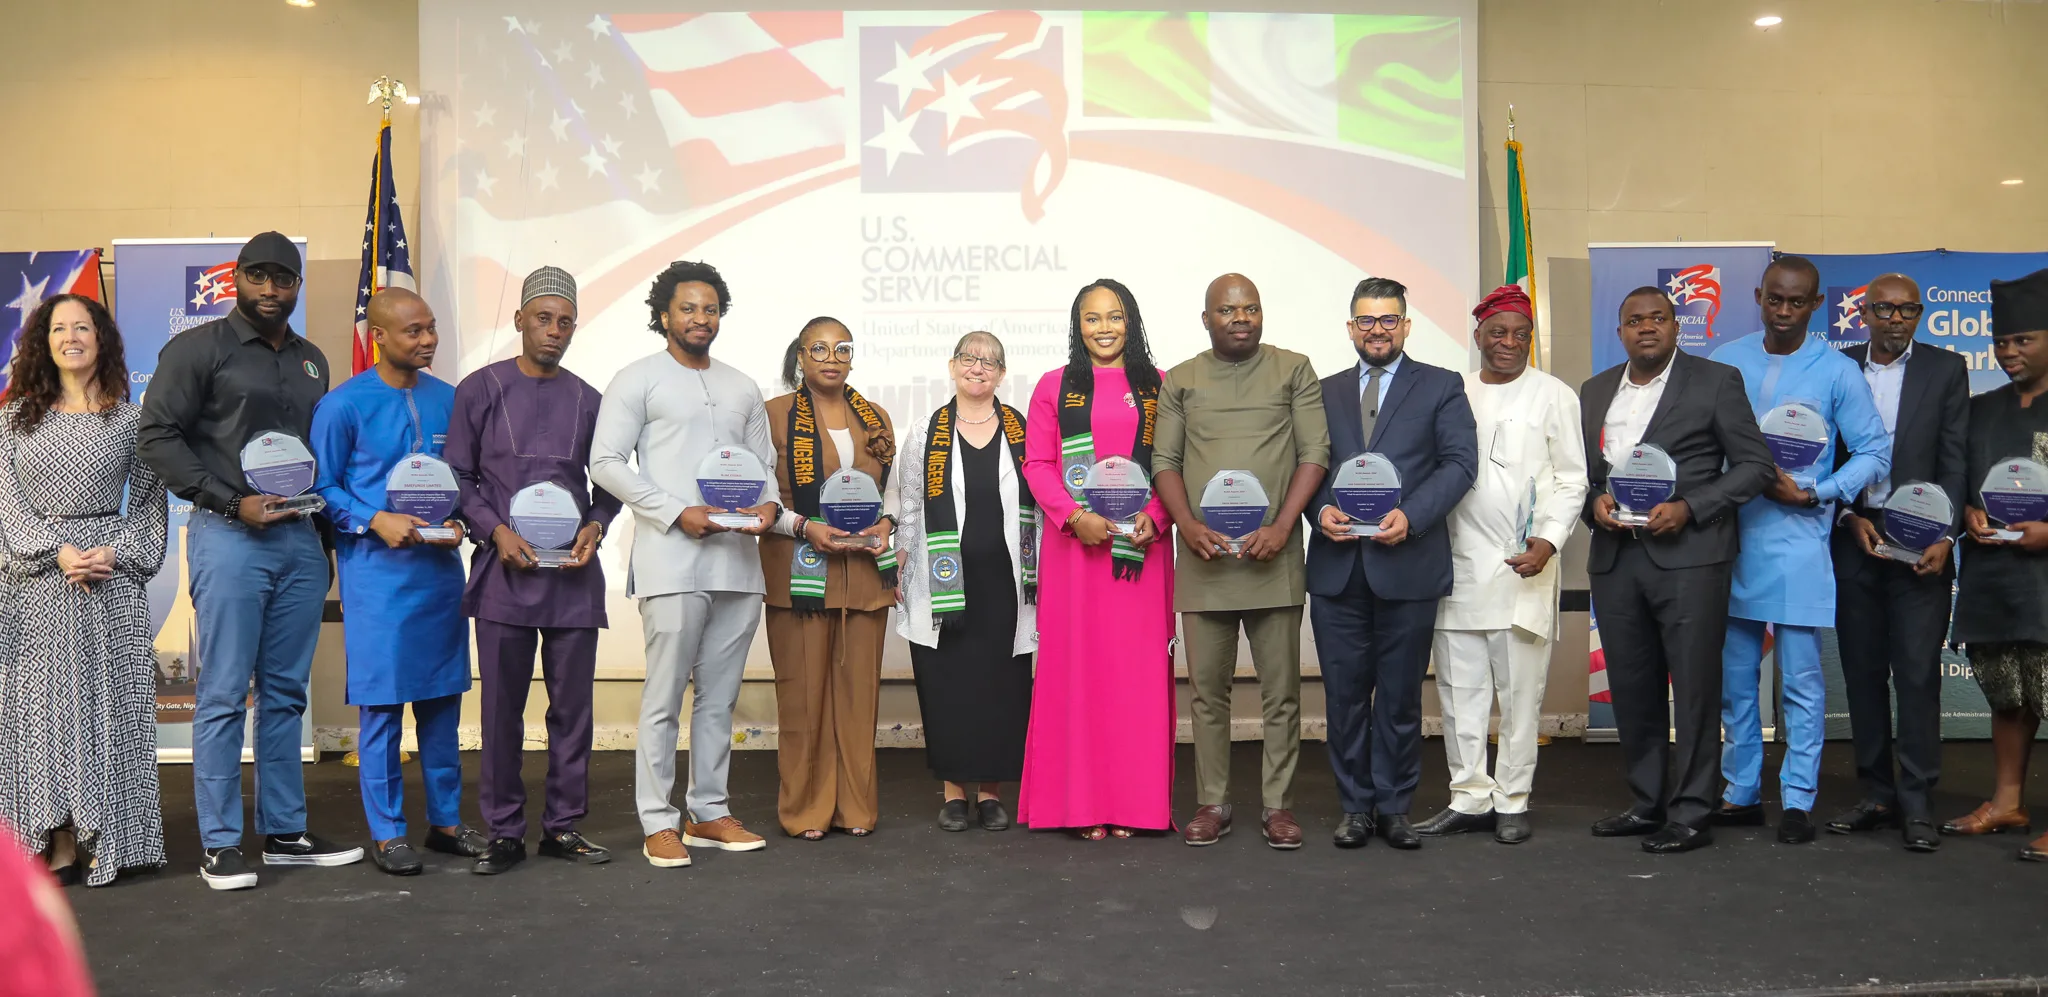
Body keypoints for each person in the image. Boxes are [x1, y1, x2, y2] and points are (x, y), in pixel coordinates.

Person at [137, 232, 363, 889]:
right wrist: (234, 503)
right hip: (230, 535)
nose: (270, 290)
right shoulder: (198, 349)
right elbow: (156, 436)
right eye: (258, 277)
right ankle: (220, 843)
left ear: (296, 285)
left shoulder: (313, 361)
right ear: (236, 278)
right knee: (223, 691)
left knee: (287, 691)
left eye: (283, 279)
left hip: (298, 539)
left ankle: (285, 831)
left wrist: (324, 539)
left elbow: (319, 453)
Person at [589, 260, 779, 869]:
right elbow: (606, 462)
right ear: (664, 315)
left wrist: (771, 504)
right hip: (672, 558)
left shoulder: (742, 386)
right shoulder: (637, 379)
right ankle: (657, 821)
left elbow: (764, 464)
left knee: (720, 699)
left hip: (737, 564)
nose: (701, 319)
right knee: (665, 696)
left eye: (711, 309)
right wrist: (676, 512)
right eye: (689, 308)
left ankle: (709, 811)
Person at [1581, 287, 1776, 854]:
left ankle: (1691, 810)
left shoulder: (1715, 381)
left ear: (1676, 326)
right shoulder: (1594, 391)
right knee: (1633, 687)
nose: (1646, 328)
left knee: (1693, 688)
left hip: (1690, 556)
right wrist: (1595, 503)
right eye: (1634, 320)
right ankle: (1647, 803)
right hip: (1617, 558)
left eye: (1658, 318)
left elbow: (1755, 466)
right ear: (1619, 331)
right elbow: (1587, 474)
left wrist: (1691, 508)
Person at [1708, 255, 1890, 845]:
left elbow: (1874, 452)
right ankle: (1738, 794)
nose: (1784, 312)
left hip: (1798, 541)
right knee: (1735, 681)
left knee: (1801, 682)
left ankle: (1796, 800)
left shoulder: (1837, 371)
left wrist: (1817, 492)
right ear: (1758, 295)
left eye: (1797, 302)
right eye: (1774, 300)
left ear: (1816, 304)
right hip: (1728, 540)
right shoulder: (1725, 360)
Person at [446, 267, 622, 874]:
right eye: (542, 318)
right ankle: (503, 831)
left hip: (573, 577)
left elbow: (611, 482)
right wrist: (494, 530)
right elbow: (459, 479)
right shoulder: (479, 389)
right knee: (501, 711)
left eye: (565, 321)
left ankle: (563, 827)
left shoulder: (591, 400)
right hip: (505, 574)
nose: (554, 331)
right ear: (519, 319)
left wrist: (597, 524)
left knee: (573, 711)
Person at [310, 289, 485, 876]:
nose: (427, 340)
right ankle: (387, 833)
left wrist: (464, 519)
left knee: (441, 701)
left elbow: (467, 478)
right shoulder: (343, 405)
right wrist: (371, 518)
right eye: (413, 331)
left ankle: (446, 822)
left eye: (431, 328)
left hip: (438, 576)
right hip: (376, 577)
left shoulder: (451, 401)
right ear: (379, 336)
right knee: (382, 708)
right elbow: (323, 487)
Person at [1152, 274, 1329, 850]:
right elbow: (1165, 461)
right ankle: (1213, 801)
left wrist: (1283, 526)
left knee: (1282, 692)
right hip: (1206, 561)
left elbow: (1315, 452)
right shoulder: (1180, 379)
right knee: (1208, 691)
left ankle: (1279, 806)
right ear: (1206, 319)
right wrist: (1187, 525)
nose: (1240, 318)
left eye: (1250, 308)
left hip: (1272, 557)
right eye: (1227, 311)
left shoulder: (1293, 369)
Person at [0, 295, 168, 887]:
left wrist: (115, 551)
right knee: (44, 714)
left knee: (107, 709)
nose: (72, 336)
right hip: (37, 585)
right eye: (59, 328)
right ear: (43, 341)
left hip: (109, 581)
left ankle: (111, 836)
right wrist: (55, 548)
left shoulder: (133, 419)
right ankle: (58, 840)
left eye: (83, 327)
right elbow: (6, 502)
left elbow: (150, 504)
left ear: (103, 339)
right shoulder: (13, 418)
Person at [1307, 276, 1476, 850]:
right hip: (1338, 568)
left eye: (1388, 319)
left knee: (1401, 697)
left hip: (1407, 562)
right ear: (1351, 326)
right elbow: (1302, 466)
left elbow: (1459, 464)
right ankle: (1355, 808)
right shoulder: (1321, 391)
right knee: (1344, 697)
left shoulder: (1442, 386)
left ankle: (1395, 807)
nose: (1376, 329)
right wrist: (1317, 508)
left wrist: (1414, 516)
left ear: (1405, 325)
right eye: (1366, 320)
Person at [1420, 284, 1587, 845]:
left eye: (1520, 334)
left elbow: (1571, 478)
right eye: (1498, 333)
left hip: (1525, 566)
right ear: (1478, 337)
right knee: (1460, 694)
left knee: (1520, 694)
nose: (1508, 343)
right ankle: (1468, 796)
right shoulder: (1453, 391)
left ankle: (1513, 799)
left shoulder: (1555, 394)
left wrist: (1550, 540)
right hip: (1457, 565)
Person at [1017, 279, 1177, 839]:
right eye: (1092, 318)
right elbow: (1037, 464)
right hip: (1076, 553)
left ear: (1130, 322)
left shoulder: (1158, 385)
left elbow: (1173, 463)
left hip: (1140, 549)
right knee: (1079, 673)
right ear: (1076, 325)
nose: (1104, 328)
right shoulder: (1054, 387)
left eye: (1114, 316)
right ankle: (1081, 804)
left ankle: (1133, 803)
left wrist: (1156, 517)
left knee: (1133, 677)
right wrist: (1070, 516)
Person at [1827, 273, 1969, 852]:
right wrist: (1845, 515)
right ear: (1864, 312)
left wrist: (1949, 532)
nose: (1895, 319)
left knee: (1915, 675)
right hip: (1856, 535)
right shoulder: (1836, 366)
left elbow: (1955, 458)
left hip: (1923, 541)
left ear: (1919, 315)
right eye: (1883, 309)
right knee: (1861, 675)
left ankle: (1916, 804)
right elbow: (1819, 452)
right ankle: (1877, 795)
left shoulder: (1946, 368)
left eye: (1907, 310)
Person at [758, 318, 898, 839]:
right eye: (819, 348)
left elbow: (895, 493)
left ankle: (856, 809)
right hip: (797, 574)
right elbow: (761, 497)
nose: (832, 357)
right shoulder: (772, 416)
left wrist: (887, 522)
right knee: (802, 698)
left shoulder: (875, 417)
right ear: (800, 356)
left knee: (859, 700)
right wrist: (804, 526)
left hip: (863, 577)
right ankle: (805, 811)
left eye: (843, 348)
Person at [894, 332, 1036, 832]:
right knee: (947, 683)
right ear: (953, 366)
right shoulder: (924, 432)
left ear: (1002, 373)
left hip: (1007, 582)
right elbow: (910, 504)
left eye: (990, 362)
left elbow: (1039, 505)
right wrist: (902, 566)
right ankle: (954, 793)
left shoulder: (1025, 429)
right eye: (970, 359)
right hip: (943, 583)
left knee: (1004, 686)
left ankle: (993, 792)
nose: (979, 368)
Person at [1948, 267, 2048, 864]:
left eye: (2024, 340)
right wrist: (1965, 511)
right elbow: (1957, 480)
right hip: (1994, 577)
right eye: (2002, 341)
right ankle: (2008, 800)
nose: (2009, 352)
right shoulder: (1979, 409)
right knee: (2008, 696)